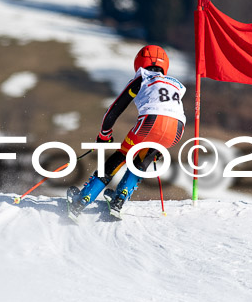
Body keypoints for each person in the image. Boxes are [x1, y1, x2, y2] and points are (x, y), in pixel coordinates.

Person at [67, 44, 186, 218]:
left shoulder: (142, 78)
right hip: (177, 130)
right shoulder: (176, 84)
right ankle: (119, 199)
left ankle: (82, 200)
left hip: (151, 122)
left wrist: (104, 135)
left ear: (139, 63)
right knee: (143, 159)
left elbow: (114, 110)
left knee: (121, 155)